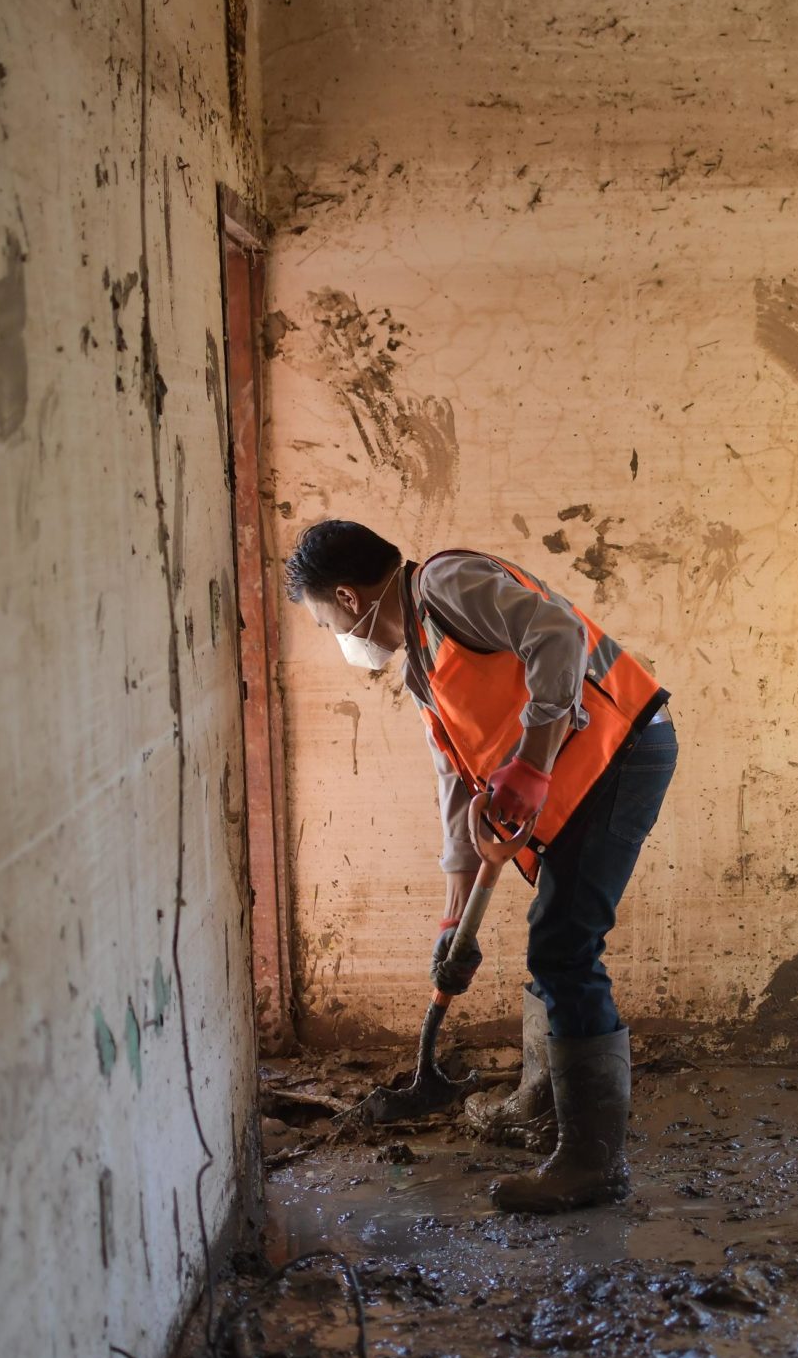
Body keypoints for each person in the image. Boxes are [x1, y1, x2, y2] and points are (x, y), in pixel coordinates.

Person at [284, 519, 674, 1212]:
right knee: (556, 935)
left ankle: (593, 1163)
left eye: (323, 622)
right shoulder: (421, 665)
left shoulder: (445, 584)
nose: (333, 634)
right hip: (585, 777)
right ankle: (543, 1105)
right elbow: (458, 783)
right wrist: (452, 915)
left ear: (347, 597)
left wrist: (533, 760)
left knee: (564, 945)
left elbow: (558, 634)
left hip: (624, 753)